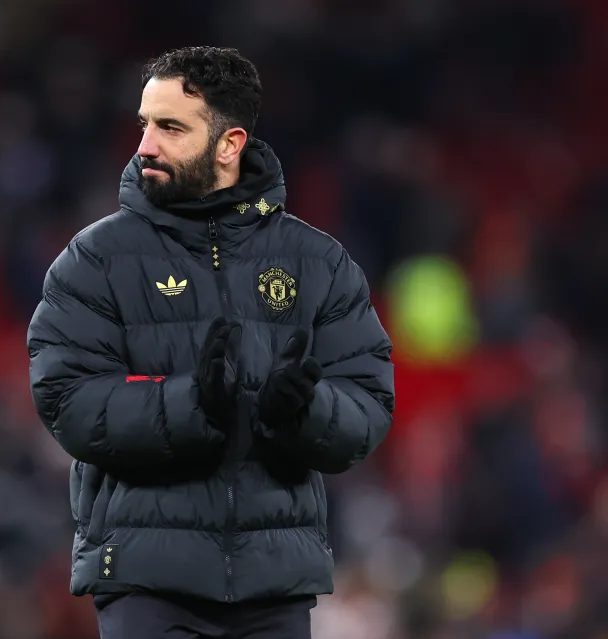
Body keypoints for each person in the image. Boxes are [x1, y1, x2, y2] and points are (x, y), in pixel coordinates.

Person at [27, 46, 395, 639]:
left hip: (275, 590)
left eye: (170, 127)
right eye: (145, 123)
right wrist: (193, 404)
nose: (145, 143)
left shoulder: (319, 264)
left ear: (229, 144)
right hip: (148, 586)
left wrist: (302, 412)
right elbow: (69, 401)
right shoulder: (94, 261)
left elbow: (368, 407)